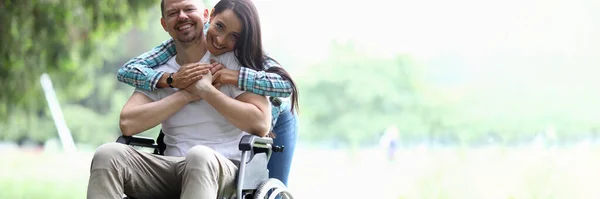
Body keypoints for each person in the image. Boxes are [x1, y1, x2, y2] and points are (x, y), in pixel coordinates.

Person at [87, 0, 279, 198]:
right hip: (170, 166)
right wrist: (186, 94)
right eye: (173, 13)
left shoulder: (232, 62)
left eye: (189, 9)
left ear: (206, 16)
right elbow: (128, 123)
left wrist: (207, 91)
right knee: (107, 154)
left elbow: (260, 123)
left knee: (199, 155)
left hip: (223, 167)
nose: (182, 17)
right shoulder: (161, 74)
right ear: (164, 24)